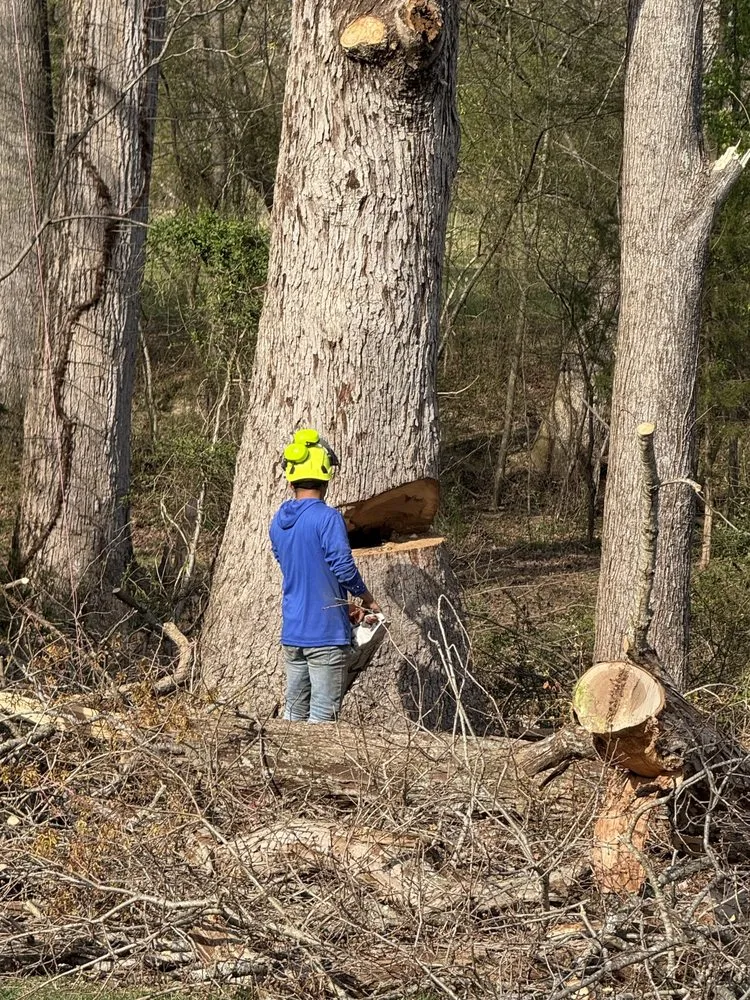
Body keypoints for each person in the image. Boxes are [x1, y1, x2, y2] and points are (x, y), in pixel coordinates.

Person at [270, 428, 381, 722]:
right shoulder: (327, 517)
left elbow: (302, 571)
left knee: (293, 715)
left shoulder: (278, 522)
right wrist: (368, 600)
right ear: (325, 475)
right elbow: (342, 567)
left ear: (291, 477)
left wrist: (345, 607)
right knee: (322, 719)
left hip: (293, 633)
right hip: (325, 637)